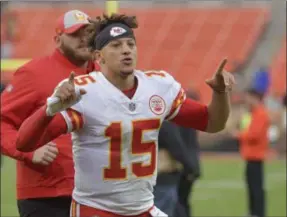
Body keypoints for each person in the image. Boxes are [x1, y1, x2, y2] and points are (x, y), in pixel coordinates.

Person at [15, 13, 235, 217]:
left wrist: (220, 92)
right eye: (116, 45)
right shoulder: (85, 92)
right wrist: (48, 109)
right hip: (96, 209)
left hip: (143, 208)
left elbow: (212, 122)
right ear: (99, 56)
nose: (126, 50)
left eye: (130, 44)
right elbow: (24, 142)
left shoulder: (157, 86)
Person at [0, 10, 98, 217]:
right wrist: (27, 152)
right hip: (48, 196)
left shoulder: (104, 74)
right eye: (75, 34)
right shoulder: (34, 73)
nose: (84, 39)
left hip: (98, 194)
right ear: (58, 39)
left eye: (89, 32)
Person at [154, 89, 201, 216]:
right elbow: (178, 146)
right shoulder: (172, 120)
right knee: (177, 205)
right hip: (168, 171)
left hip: (162, 171)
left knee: (178, 205)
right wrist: (190, 166)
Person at [230, 88, 270, 217]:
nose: (247, 100)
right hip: (250, 155)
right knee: (252, 187)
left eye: (249, 97)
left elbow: (254, 134)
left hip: (256, 156)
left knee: (256, 187)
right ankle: (253, 211)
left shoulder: (261, 114)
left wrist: (239, 135)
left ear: (255, 98)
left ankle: (258, 212)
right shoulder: (251, 114)